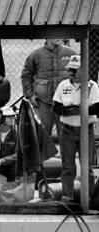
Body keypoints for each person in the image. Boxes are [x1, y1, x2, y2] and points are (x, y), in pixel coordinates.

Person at [53, 55, 99, 202]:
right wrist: (80, 108)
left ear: (83, 70)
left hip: (87, 131)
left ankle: (90, 200)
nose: (71, 72)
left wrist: (73, 108)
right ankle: (67, 198)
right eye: (70, 69)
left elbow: (96, 108)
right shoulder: (63, 85)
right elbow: (57, 108)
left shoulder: (92, 86)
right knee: (67, 167)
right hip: (67, 130)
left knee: (88, 168)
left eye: (74, 69)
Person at [21, 39, 75, 137]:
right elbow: (26, 75)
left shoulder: (71, 53)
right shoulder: (36, 54)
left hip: (65, 104)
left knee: (67, 138)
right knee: (42, 137)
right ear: (46, 36)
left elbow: (81, 75)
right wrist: (30, 95)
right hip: (42, 103)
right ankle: (44, 153)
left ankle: (65, 153)